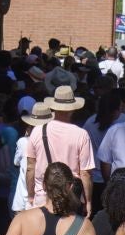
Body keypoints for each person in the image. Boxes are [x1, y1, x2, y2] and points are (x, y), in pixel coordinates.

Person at [25, 84, 97, 217]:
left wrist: (30, 195)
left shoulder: (37, 131)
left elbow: (30, 168)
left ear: (53, 107)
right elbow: (85, 173)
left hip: (43, 197)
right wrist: (88, 201)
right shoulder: (81, 134)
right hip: (70, 198)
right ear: (72, 109)